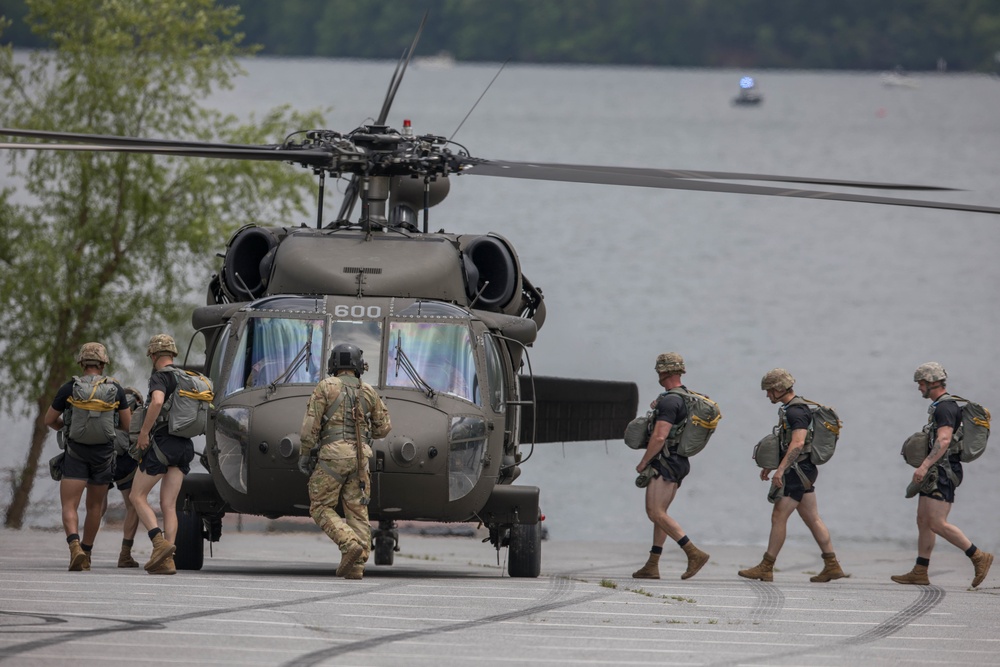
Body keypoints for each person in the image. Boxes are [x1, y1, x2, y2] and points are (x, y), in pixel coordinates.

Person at [739, 369, 846, 583]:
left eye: (769, 391)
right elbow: (787, 442)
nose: (768, 395)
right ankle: (832, 565)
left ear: (779, 389)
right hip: (803, 469)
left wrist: (780, 471)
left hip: (796, 472)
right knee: (812, 518)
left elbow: (798, 443)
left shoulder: (795, 412)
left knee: (779, 516)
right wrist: (772, 466)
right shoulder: (793, 408)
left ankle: (766, 567)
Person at [891, 362, 993, 587]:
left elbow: (944, 440)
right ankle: (920, 570)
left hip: (943, 472)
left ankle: (978, 556)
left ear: (931, 383)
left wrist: (924, 465)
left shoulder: (945, 408)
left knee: (937, 523)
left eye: (921, 383)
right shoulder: (940, 406)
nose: (919, 388)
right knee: (923, 521)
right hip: (937, 471)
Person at [299, 343, 391, 580]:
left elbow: (311, 427)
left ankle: (348, 543)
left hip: (332, 457)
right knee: (358, 512)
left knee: (320, 506)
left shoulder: (325, 387)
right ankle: (357, 566)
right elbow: (384, 429)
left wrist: (305, 452)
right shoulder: (368, 391)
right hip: (360, 460)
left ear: (334, 365)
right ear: (358, 366)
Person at [44, 342, 131, 571]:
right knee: (94, 507)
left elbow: (49, 420)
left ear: (82, 363)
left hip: (75, 453)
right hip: (103, 455)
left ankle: (74, 547)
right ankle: (87, 552)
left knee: (69, 505)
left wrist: (67, 426)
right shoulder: (115, 389)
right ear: (102, 364)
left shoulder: (69, 388)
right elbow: (126, 424)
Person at [632, 352, 710, 580]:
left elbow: (659, 436)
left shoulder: (670, 400)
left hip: (665, 462)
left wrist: (644, 461)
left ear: (662, 371)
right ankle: (652, 564)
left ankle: (693, 552)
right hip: (679, 461)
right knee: (661, 514)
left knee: (654, 512)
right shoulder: (686, 396)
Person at [130, 334, 195, 575]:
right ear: (173, 354)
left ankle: (159, 544)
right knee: (169, 505)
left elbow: (156, 402)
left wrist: (144, 433)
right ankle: (169, 560)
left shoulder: (160, 377)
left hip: (163, 445)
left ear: (154, 355)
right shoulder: (186, 377)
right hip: (184, 446)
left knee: (137, 496)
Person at [107, 387, 144, 568]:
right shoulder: (136, 405)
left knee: (96, 504)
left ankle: (84, 551)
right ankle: (125, 554)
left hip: (103, 454)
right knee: (133, 505)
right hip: (125, 461)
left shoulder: (105, 402)